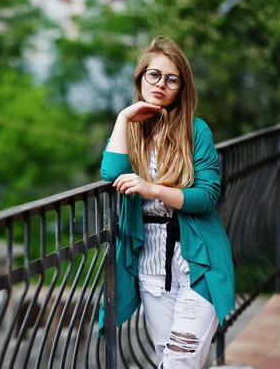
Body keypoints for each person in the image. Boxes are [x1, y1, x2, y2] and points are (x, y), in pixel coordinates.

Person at [98, 36, 235, 369]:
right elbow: (111, 173)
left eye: (171, 78)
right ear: (141, 78)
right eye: (153, 75)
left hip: (196, 260)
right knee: (170, 358)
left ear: (181, 87)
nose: (161, 84)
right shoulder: (132, 130)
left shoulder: (195, 131)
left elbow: (205, 197)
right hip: (150, 264)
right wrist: (123, 119)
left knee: (178, 360)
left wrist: (152, 188)